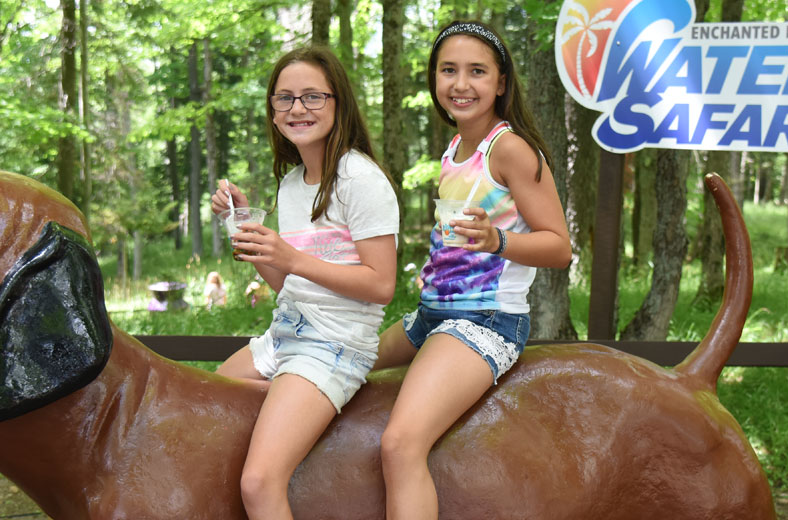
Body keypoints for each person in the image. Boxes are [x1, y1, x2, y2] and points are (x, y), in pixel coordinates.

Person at [374, 21, 572, 520]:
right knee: (345, 359)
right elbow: (460, 241)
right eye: (449, 71)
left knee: (399, 444)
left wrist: (498, 241)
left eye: (477, 71)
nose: (461, 84)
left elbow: (559, 247)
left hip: (486, 321)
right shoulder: (454, 149)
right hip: (432, 314)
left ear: (501, 83)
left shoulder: (509, 148)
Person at [209, 46, 399, 520]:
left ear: (339, 104)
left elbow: (381, 286)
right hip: (285, 332)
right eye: (285, 99)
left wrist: (292, 257)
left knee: (258, 483)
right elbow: (286, 283)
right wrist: (247, 232)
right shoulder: (293, 184)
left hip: (334, 343)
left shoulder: (361, 179)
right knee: (210, 405)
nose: (297, 109)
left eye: (313, 96)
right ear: (272, 112)